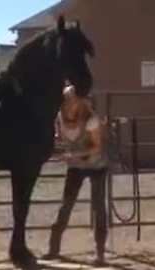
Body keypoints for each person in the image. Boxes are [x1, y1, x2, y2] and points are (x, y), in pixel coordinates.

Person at [43, 84, 108, 266]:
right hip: (76, 166)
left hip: (96, 165)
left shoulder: (90, 119)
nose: (69, 104)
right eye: (66, 100)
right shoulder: (60, 118)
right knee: (66, 206)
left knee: (98, 208)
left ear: (79, 101)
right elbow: (60, 136)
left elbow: (97, 147)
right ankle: (53, 250)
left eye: (72, 100)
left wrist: (74, 155)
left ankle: (100, 253)